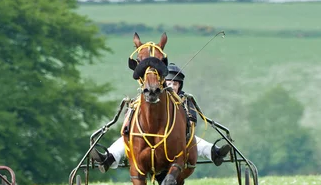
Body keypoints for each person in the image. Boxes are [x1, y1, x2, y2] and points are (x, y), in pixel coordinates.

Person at [90, 63, 231, 172]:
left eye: (175, 84)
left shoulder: (184, 99)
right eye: (168, 83)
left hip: (176, 139)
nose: (171, 86)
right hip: (145, 139)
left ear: (179, 86)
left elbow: (193, 118)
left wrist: (187, 120)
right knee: (124, 141)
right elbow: (130, 116)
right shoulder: (147, 99)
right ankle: (108, 159)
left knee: (196, 142)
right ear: (161, 84)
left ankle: (216, 153)